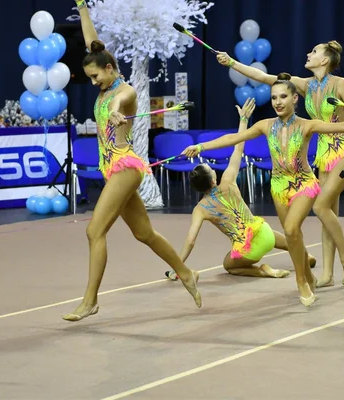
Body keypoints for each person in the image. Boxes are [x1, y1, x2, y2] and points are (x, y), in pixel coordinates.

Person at [182, 74, 344, 306]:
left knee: (292, 230)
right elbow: (234, 137)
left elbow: (343, 125)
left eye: (283, 97)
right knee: (294, 237)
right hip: (278, 186)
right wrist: (201, 146)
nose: (278, 102)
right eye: (274, 98)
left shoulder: (306, 125)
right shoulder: (265, 125)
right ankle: (309, 276)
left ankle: (302, 282)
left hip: (303, 183)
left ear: (295, 98)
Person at [63, 0, 201, 321]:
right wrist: (83, 7)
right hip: (114, 167)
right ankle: (186, 273)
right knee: (144, 234)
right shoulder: (103, 72)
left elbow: (123, 101)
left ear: (110, 69)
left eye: (96, 76)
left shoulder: (124, 91)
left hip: (126, 166)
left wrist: (115, 112)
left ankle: (90, 300)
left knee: (94, 231)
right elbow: (92, 42)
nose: (94, 82)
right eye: (91, 78)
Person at [217, 41, 344, 288]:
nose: (308, 54)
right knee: (328, 214)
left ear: (325, 60)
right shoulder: (304, 84)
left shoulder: (340, 84)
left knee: (321, 206)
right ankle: (328, 274)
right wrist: (232, 63)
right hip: (324, 152)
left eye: (314, 52)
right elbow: (262, 76)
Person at [165, 98, 316, 281]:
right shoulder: (228, 181)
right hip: (265, 235)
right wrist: (243, 120)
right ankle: (304, 255)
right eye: (211, 170)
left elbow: (190, 241)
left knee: (228, 265)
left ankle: (262, 270)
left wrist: (177, 268)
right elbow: (238, 148)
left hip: (248, 251)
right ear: (214, 179)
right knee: (268, 232)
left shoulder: (200, 209)